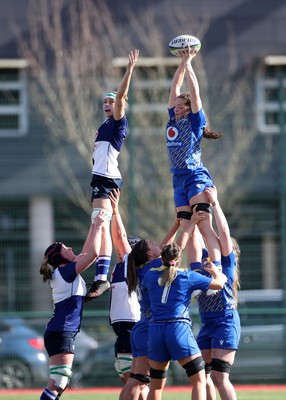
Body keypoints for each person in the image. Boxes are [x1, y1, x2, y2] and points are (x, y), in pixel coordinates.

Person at [120, 210, 207, 400]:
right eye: (151, 243)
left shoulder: (146, 270)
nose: (157, 244)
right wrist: (190, 223)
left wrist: (175, 225)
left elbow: (165, 246)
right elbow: (178, 247)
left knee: (135, 379)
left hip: (142, 326)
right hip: (149, 327)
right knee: (139, 381)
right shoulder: (154, 269)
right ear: (149, 254)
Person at [141, 236, 227, 400]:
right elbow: (219, 284)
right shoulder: (187, 275)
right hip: (177, 328)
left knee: (156, 386)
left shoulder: (150, 276)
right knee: (199, 381)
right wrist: (217, 273)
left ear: (163, 258)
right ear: (179, 258)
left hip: (156, 330)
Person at [87, 49, 139, 299]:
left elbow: (121, 98)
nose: (109, 104)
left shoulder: (119, 120)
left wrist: (128, 71)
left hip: (107, 179)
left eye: (112, 101)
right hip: (100, 178)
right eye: (105, 102)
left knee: (100, 222)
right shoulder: (103, 126)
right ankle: (99, 277)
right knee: (99, 223)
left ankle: (101, 277)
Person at [39, 211, 108, 400]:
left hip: (60, 331)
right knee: (59, 382)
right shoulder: (65, 272)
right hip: (61, 331)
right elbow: (92, 254)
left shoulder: (64, 271)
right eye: (64, 247)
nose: (69, 247)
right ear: (59, 257)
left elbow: (85, 253)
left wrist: (94, 225)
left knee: (60, 382)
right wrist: (100, 227)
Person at [166, 44, 223, 267]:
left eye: (181, 106)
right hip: (178, 180)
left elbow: (195, 93)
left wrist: (190, 64)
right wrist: (181, 62)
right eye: (176, 105)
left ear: (189, 109)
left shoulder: (194, 122)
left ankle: (216, 268)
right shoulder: (173, 120)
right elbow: (175, 86)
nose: (176, 108)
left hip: (195, 177)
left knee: (203, 224)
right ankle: (196, 268)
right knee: (185, 224)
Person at [194, 186, 241, 400]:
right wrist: (190, 219)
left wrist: (216, 203)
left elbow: (223, 232)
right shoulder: (205, 259)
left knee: (220, 377)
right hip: (207, 323)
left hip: (225, 321)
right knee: (204, 376)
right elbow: (200, 236)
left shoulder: (226, 262)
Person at [108, 188, 145, 394]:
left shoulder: (130, 264)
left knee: (135, 382)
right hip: (124, 327)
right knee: (134, 383)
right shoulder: (119, 267)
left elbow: (120, 236)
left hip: (131, 325)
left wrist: (115, 210)